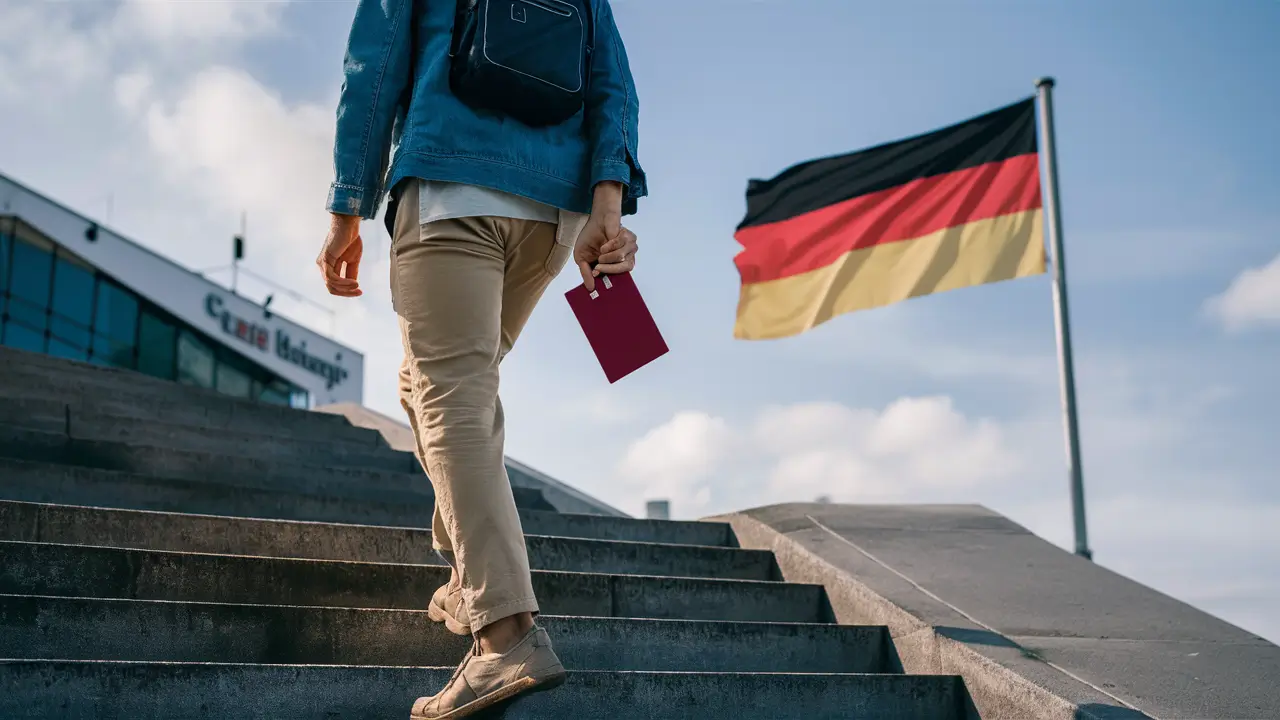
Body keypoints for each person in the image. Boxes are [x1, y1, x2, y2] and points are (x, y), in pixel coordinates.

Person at [317, 0, 644, 717]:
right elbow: (610, 78)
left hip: (451, 189)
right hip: (553, 216)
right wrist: (608, 205)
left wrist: (348, 208)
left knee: (451, 396)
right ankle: (472, 574)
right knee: (430, 386)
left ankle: (506, 636)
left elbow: (373, 71)